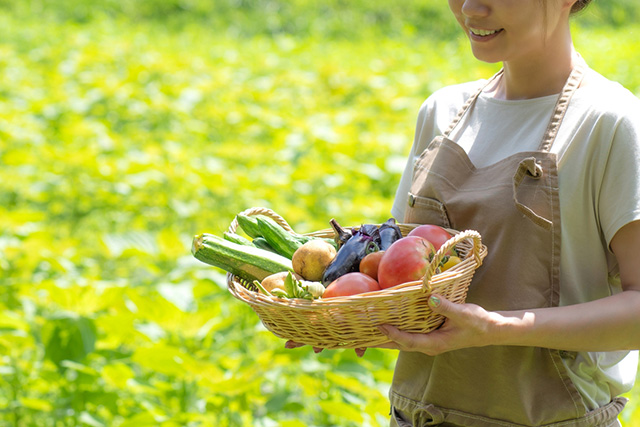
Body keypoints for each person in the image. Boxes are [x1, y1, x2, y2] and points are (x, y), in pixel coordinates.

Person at [373, 0, 640, 425]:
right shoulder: (442, 114)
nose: (469, 8)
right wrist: (344, 313)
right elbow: (397, 280)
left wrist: (499, 328)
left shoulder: (607, 122)